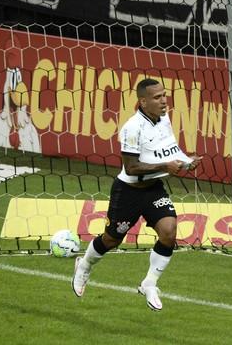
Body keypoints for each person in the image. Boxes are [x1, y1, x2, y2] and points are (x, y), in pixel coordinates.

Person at [72, 78, 202, 310]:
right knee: (111, 238)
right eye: (157, 97)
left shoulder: (164, 119)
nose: (164, 101)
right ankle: (84, 266)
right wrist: (166, 167)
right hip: (128, 192)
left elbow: (167, 150)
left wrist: (185, 162)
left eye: (164, 95)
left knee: (169, 232)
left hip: (153, 190)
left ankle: (149, 283)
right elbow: (131, 168)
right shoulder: (132, 128)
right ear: (143, 102)